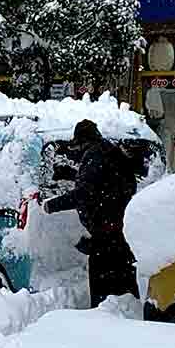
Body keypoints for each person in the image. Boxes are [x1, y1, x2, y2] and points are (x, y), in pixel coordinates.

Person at [42, 120, 140, 308]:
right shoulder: (110, 151)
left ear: (83, 141)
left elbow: (85, 193)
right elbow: (102, 181)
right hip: (121, 230)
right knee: (124, 282)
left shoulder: (95, 155)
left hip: (106, 234)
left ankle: (101, 320)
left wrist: (51, 205)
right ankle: (128, 315)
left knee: (101, 285)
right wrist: (72, 174)